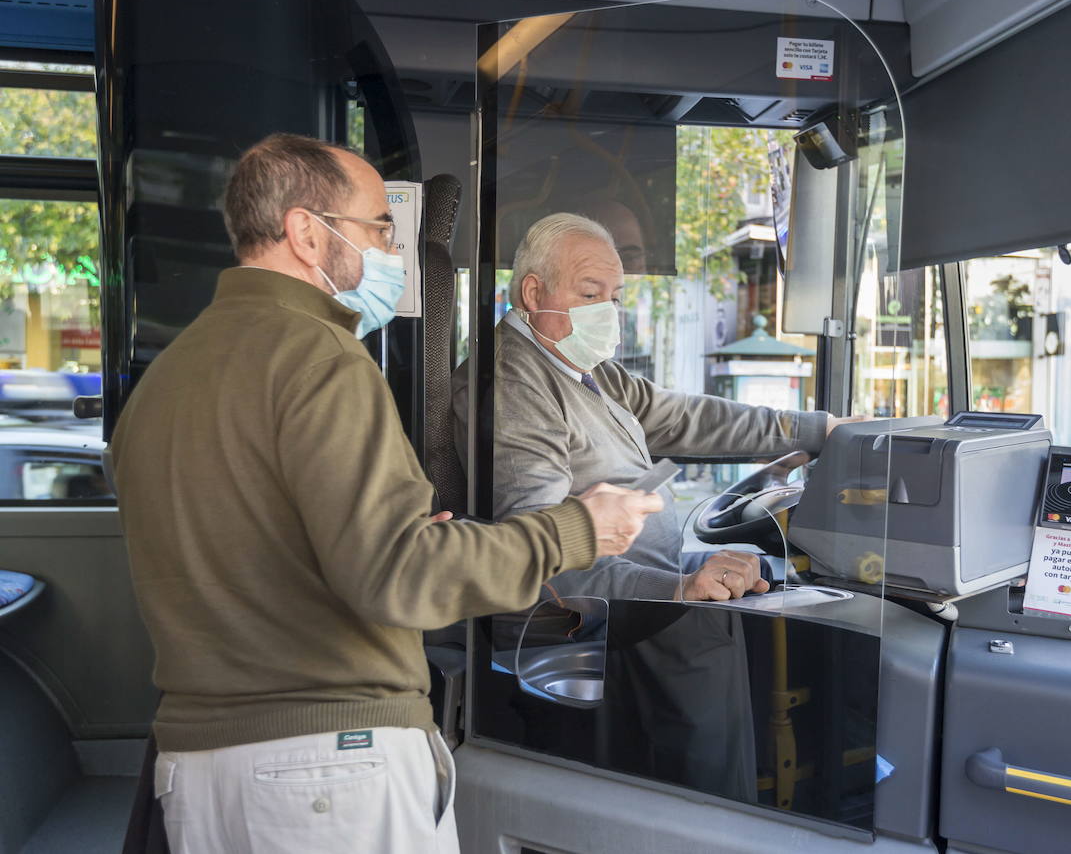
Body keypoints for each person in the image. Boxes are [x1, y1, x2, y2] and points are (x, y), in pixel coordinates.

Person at [109, 135, 661, 854]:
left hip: (198, 771)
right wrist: (576, 530)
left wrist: (389, 532)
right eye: (379, 226)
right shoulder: (319, 355)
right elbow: (396, 574)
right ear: (307, 233)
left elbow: (250, 548)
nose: (392, 250)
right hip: (323, 771)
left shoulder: (167, 376)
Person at [450, 212, 861, 800]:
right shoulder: (514, 384)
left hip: (637, 598)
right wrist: (678, 589)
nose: (606, 313)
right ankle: (719, 827)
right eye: (590, 294)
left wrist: (820, 428)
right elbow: (541, 553)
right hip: (596, 621)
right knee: (711, 661)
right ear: (533, 292)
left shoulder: (585, 372)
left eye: (614, 297)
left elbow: (688, 416)